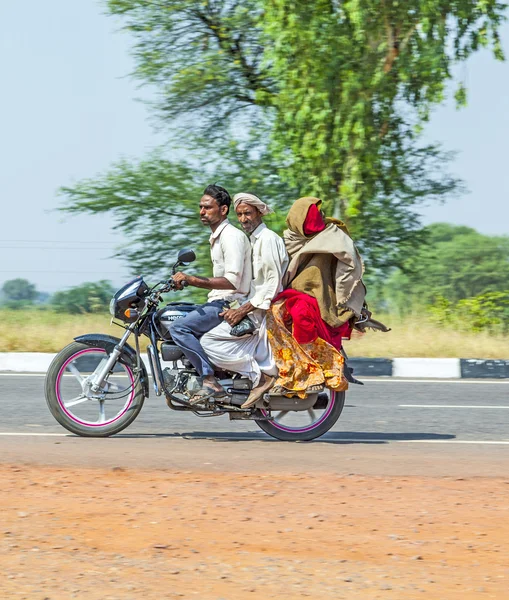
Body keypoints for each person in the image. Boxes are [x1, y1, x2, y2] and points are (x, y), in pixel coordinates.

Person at [201, 193, 289, 408]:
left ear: (259, 212)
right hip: (250, 307)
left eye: (248, 213)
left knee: (207, 342)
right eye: (239, 214)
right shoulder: (253, 240)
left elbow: (271, 285)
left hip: (261, 313)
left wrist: (242, 311)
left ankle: (259, 377)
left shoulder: (268, 240)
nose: (243, 219)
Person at [169, 184, 252, 398]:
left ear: (223, 210)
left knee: (178, 328)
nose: (202, 212)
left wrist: (191, 279)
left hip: (228, 303)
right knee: (176, 312)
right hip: (218, 301)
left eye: (208, 207)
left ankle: (209, 379)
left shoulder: (231, 236)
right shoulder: (217, 237)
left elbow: (232, 281)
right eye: (200, 207)